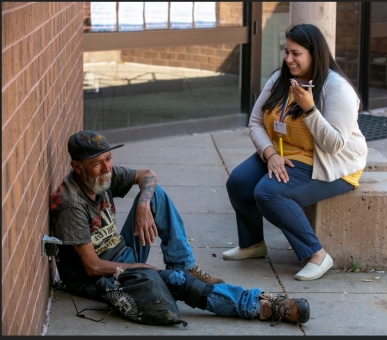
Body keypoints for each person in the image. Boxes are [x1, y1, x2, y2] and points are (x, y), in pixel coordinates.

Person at [49, 130, 310, 325]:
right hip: (100, 278)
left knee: (155, 193)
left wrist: (143, 203)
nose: (107, 168)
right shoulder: (70, 203)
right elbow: (92, 266)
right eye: (97, 164)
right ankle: (256, 305)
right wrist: (140, 267)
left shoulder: (103, 174)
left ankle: (183, 263)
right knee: (177, 282)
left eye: (108, 159)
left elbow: (148, 175)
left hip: (122, 253)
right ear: (76, 167)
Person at [223, 23, 368, 281]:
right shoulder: (279, 79)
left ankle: (317, 255)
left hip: (328, 162)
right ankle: (252, 244)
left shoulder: (337, 89)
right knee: (238, 182)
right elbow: (255, 122)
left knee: (269, 193)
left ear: (314, 53)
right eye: (286, 51)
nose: (288, 59)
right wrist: (270, 154)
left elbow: (334, 144)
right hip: (283, 153)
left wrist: (310, 109)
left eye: (296, 53)